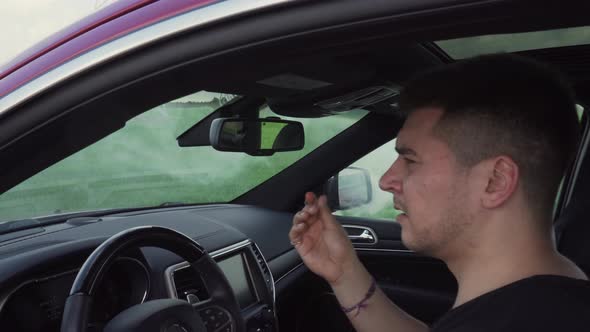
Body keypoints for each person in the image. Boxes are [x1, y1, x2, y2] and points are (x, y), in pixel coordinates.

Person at [288, 53, 590, 331]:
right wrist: (345, 273)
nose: (386, 180)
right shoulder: (556, 297)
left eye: (410, 159)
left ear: (495, 181)